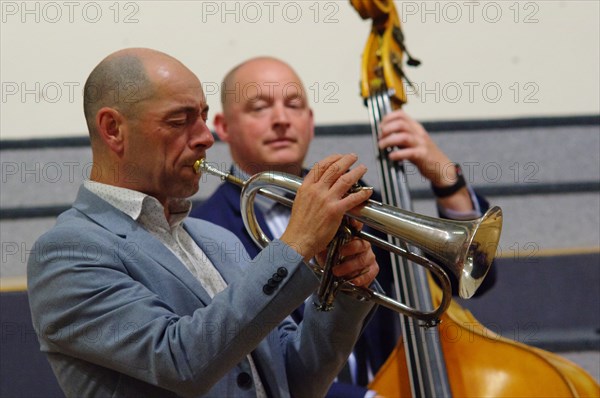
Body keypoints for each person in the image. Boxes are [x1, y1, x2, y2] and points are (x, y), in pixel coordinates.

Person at [27, 48, 383, 398]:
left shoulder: (214, 237)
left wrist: (341, 289)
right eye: (179, 121)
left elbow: (294, 381)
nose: (205, 138)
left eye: (202, 116)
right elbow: (179, 361)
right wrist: (295, 244)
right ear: (113, 129)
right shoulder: (67, 251)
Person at [191, 56, 494, 397]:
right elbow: (234, 366)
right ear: (223, 125)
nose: (280, 119)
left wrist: (445, 177)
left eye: (294, 105)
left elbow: (469, 276)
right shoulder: (203, 232)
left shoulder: (358, 204)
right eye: (259, 108)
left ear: (310, 120)